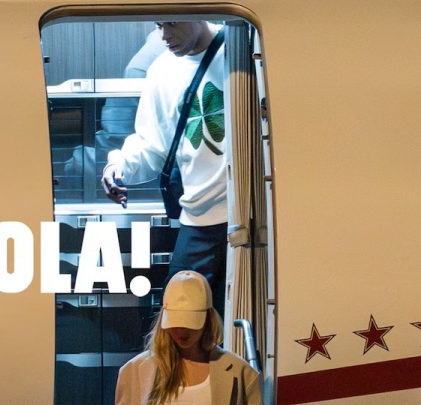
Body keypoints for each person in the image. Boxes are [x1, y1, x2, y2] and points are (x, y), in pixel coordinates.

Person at [101, 21, 228, 317]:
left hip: (253, 214)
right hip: (199, 219)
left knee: (247, 318)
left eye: (172, 22)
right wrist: (119, 165)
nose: (165, 35)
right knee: (179, 321)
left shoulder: (242, 46)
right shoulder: (162, 70)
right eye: (159, 24)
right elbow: (152, 145)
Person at [115, 270, 262, 405]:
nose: (181, 331)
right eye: (175, 322)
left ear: (208, 319)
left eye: (189, 323)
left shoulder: (242, 372)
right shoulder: (132, 372)